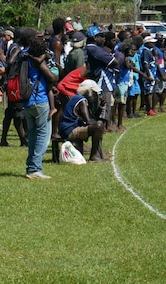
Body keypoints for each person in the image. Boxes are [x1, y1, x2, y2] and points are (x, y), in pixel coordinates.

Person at [21, 34, 57, 179]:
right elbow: (52, 77)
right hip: (40, 100)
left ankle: (31, 167)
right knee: (43, 135)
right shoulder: (38, 62)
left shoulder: (24, 56)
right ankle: (35, 168)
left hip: (27, 101)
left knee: (33, 135)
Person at [59, 79, 109, 162]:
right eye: (94, 92)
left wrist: (101, 106)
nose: (95, 95)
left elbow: (93, 118)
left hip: (68, 129)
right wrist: (98, 126)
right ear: (89, 91)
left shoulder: (78, 98)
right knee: (99, 126)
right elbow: (88, 121)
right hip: (69, 130)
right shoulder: (82, 101)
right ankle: (94, 157)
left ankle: (98, 155)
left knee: (98, 126)